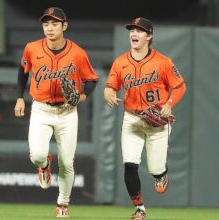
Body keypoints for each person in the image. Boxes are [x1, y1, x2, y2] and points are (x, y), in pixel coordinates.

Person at [14, 7, 98, 218]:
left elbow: (92, 80)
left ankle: (62, 203)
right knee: (38, 156)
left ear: (64, 26)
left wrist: (83, 97)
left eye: (54, 24)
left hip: (67, 111)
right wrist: (19, 97)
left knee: (67, 163)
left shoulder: (77, 53)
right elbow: (22, 72)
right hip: (41, 108)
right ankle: (44, 165)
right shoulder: (32, 48)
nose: (49, 28)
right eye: (46, 24)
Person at [104, 17, 187, 220]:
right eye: (132, 30)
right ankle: (140, 209)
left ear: (149, 36)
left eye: (140, 31)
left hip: (157, 121)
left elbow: (180, 86)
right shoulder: (120, 62)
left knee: (155, 168)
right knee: (129, 165)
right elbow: (110, 86)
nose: (134, 33)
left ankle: (161, 175)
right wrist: (109, 94)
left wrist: (168, 104)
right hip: (131, 119)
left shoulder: (163, 62)